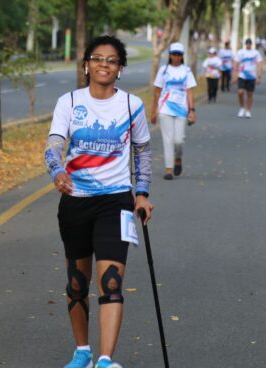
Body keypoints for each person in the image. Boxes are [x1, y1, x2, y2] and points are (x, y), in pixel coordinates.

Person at [44, 35, 153, 368]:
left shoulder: (132, 105)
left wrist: (143, 192)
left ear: (119, 69)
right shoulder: (70, 101)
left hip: (116, 202)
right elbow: (54, 144)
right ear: (86, 65)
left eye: (111, 60)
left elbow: (142, 150)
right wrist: (56, 170)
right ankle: (83, 352)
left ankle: (106, 360)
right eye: (97, 58)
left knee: (111, 283)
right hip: (75, 202)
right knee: (77, 284)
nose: (104, 64)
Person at [151, 42, 197, 179]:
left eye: (178, 55)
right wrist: (153, 111)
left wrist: (192, 110)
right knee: (168, 139)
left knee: (178, 140)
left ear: (182, 56)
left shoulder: (186, 71)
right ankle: (169, 169)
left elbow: (189, 92)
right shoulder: (163, 70)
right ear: (170, 55)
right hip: (165, 108)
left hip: (182, 110)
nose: (175, 57)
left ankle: (178, 158)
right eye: (173, 54)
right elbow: (157, 91)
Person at [233, 38, 263, 118]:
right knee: (240, 92)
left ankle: (248, 110)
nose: (248, 45)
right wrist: (234, 76)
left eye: (249, 43)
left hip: (252, 76)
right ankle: (242, 107)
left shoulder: (256, 53)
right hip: (242, 75)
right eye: (247, 43)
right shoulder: (240, 52)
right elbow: (236, 64)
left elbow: (259, 65)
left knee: (250, 94)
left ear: (251, 44)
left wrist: (259, 77)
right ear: (245, 44)